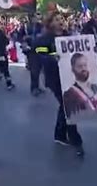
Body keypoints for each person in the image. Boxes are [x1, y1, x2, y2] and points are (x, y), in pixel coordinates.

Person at [34, 12, 84, 158]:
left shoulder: (69, 36)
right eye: (57, 19)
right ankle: (75, 139)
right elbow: (38, 50)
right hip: (54, 77)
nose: (61, 21)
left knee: (66, 105)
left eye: (62, 18)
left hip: (69, 75)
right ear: (50, 23)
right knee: (67, 104)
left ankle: (60, 134)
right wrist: (51, 55)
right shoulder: (45, 38)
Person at [63, 53, 97, 118]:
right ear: (73, 69)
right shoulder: (70, 94)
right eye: (80, 66)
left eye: (85, 65)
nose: (83, 69)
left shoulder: (95, 88)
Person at [24, 13, 44, 96]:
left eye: (36, 17)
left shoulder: (40, 26)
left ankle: (37, 86)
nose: (36, 19)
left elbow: (44, 34)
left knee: (39, 69)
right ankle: (34, 88)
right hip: (31, 50)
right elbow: (21, 36)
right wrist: (26, 39)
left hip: (40, 49)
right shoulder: (26, 27)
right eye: (34, 17)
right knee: (34, 70)